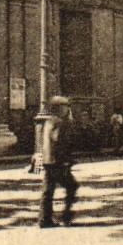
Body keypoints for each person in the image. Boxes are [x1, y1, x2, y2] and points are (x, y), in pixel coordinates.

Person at [38, 96, 78, 228]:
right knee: (72, 186)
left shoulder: (48, 121)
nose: (68, 109)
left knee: (48, 190)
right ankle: (66, 216)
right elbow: (58, 142)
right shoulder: (60, 122)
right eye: (66, 106)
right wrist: (66, 161)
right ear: (61, 108)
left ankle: (44, 219)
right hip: (58, 162)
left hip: (48, 161)